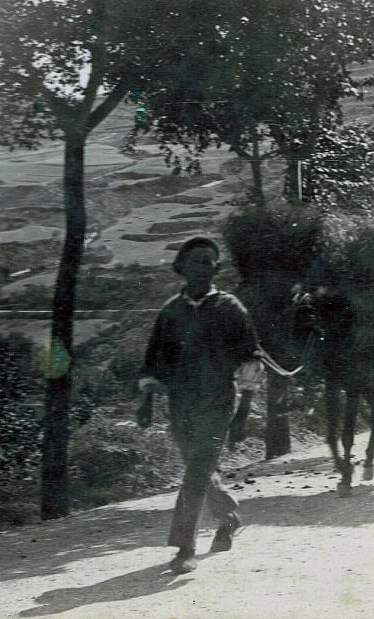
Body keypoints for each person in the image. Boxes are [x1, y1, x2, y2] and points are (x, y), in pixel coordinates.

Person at [136, 236, 262, 575]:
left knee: (196, 470)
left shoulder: (231, 308)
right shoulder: (170, 311)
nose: (202, 268)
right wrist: (146, 401)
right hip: (181, 403)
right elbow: (153, 361)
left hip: (218, 401)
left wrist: (243, 413)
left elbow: (250, 361)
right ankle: (229, 517)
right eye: (195, 261)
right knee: (200, 468)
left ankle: (184, 547)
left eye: (208, 262)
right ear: (181, 268)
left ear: (216, 268)